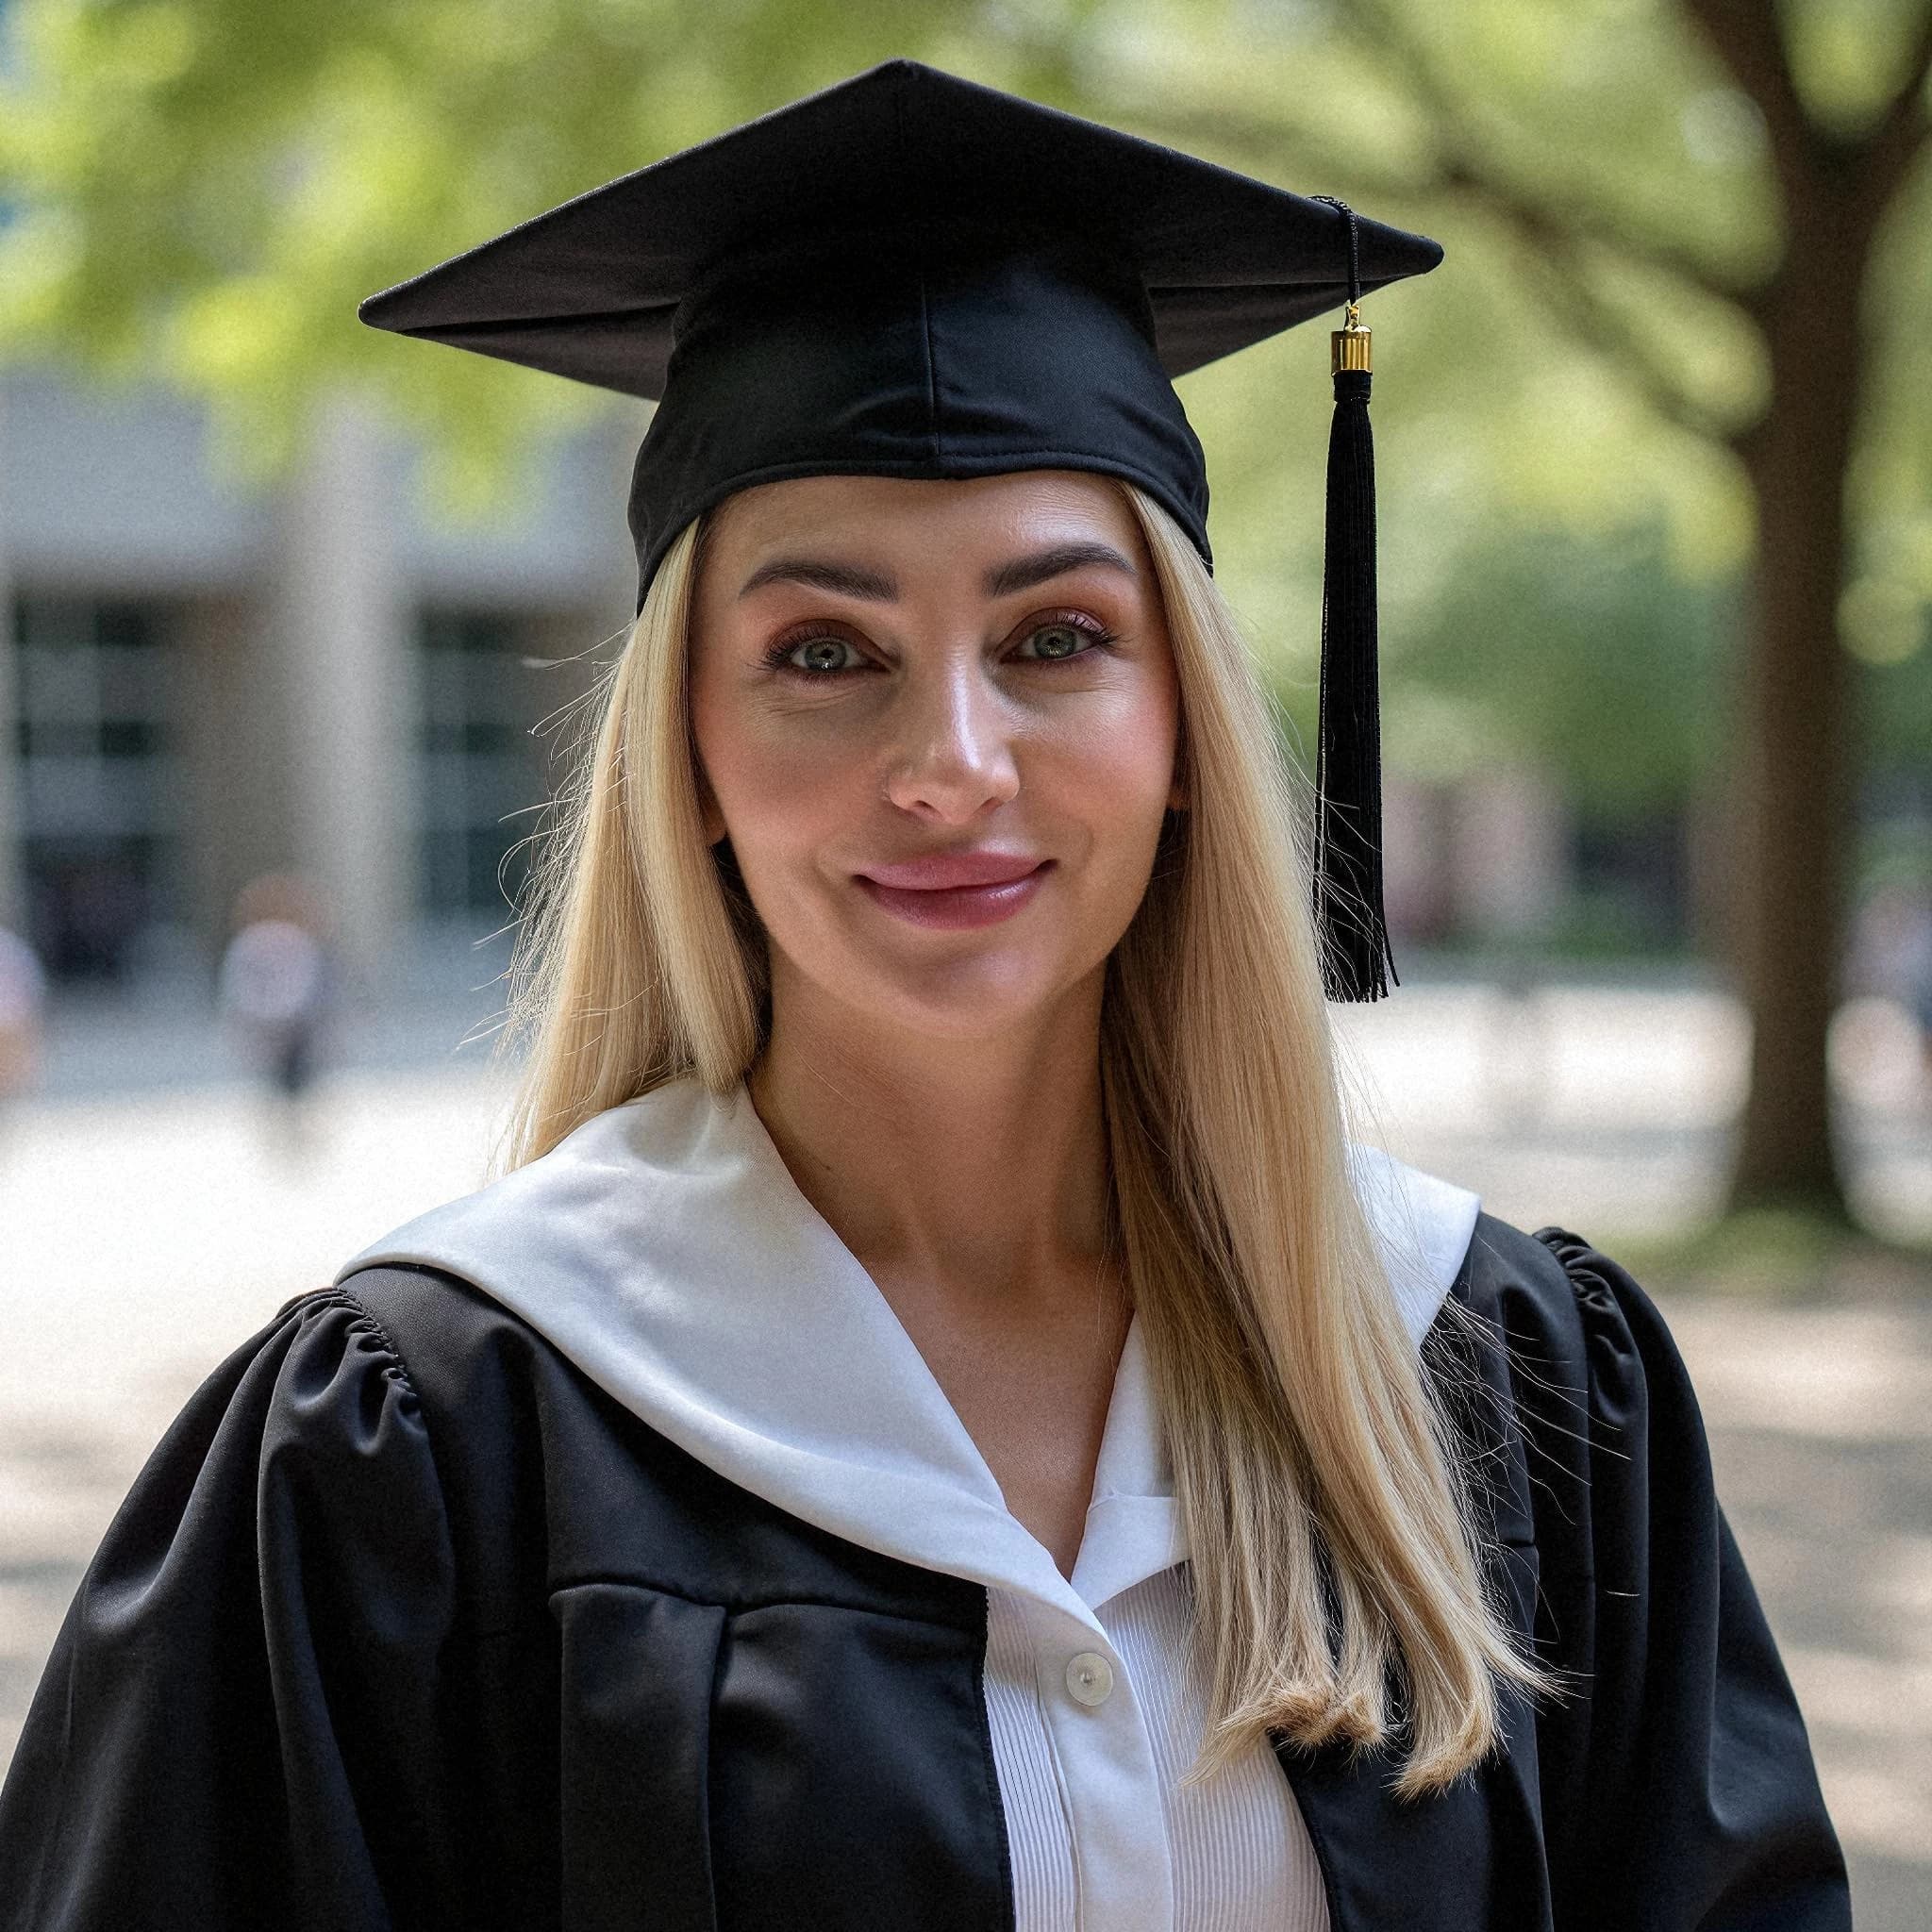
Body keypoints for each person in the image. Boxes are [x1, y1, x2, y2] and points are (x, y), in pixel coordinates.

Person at [0, 60, 1848, 1931]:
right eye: (824, 650)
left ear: (1182, 726)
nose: (949, 760)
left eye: (1055, 637)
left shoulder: (1505, 1382)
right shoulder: (418, 1454)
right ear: (689, 753)